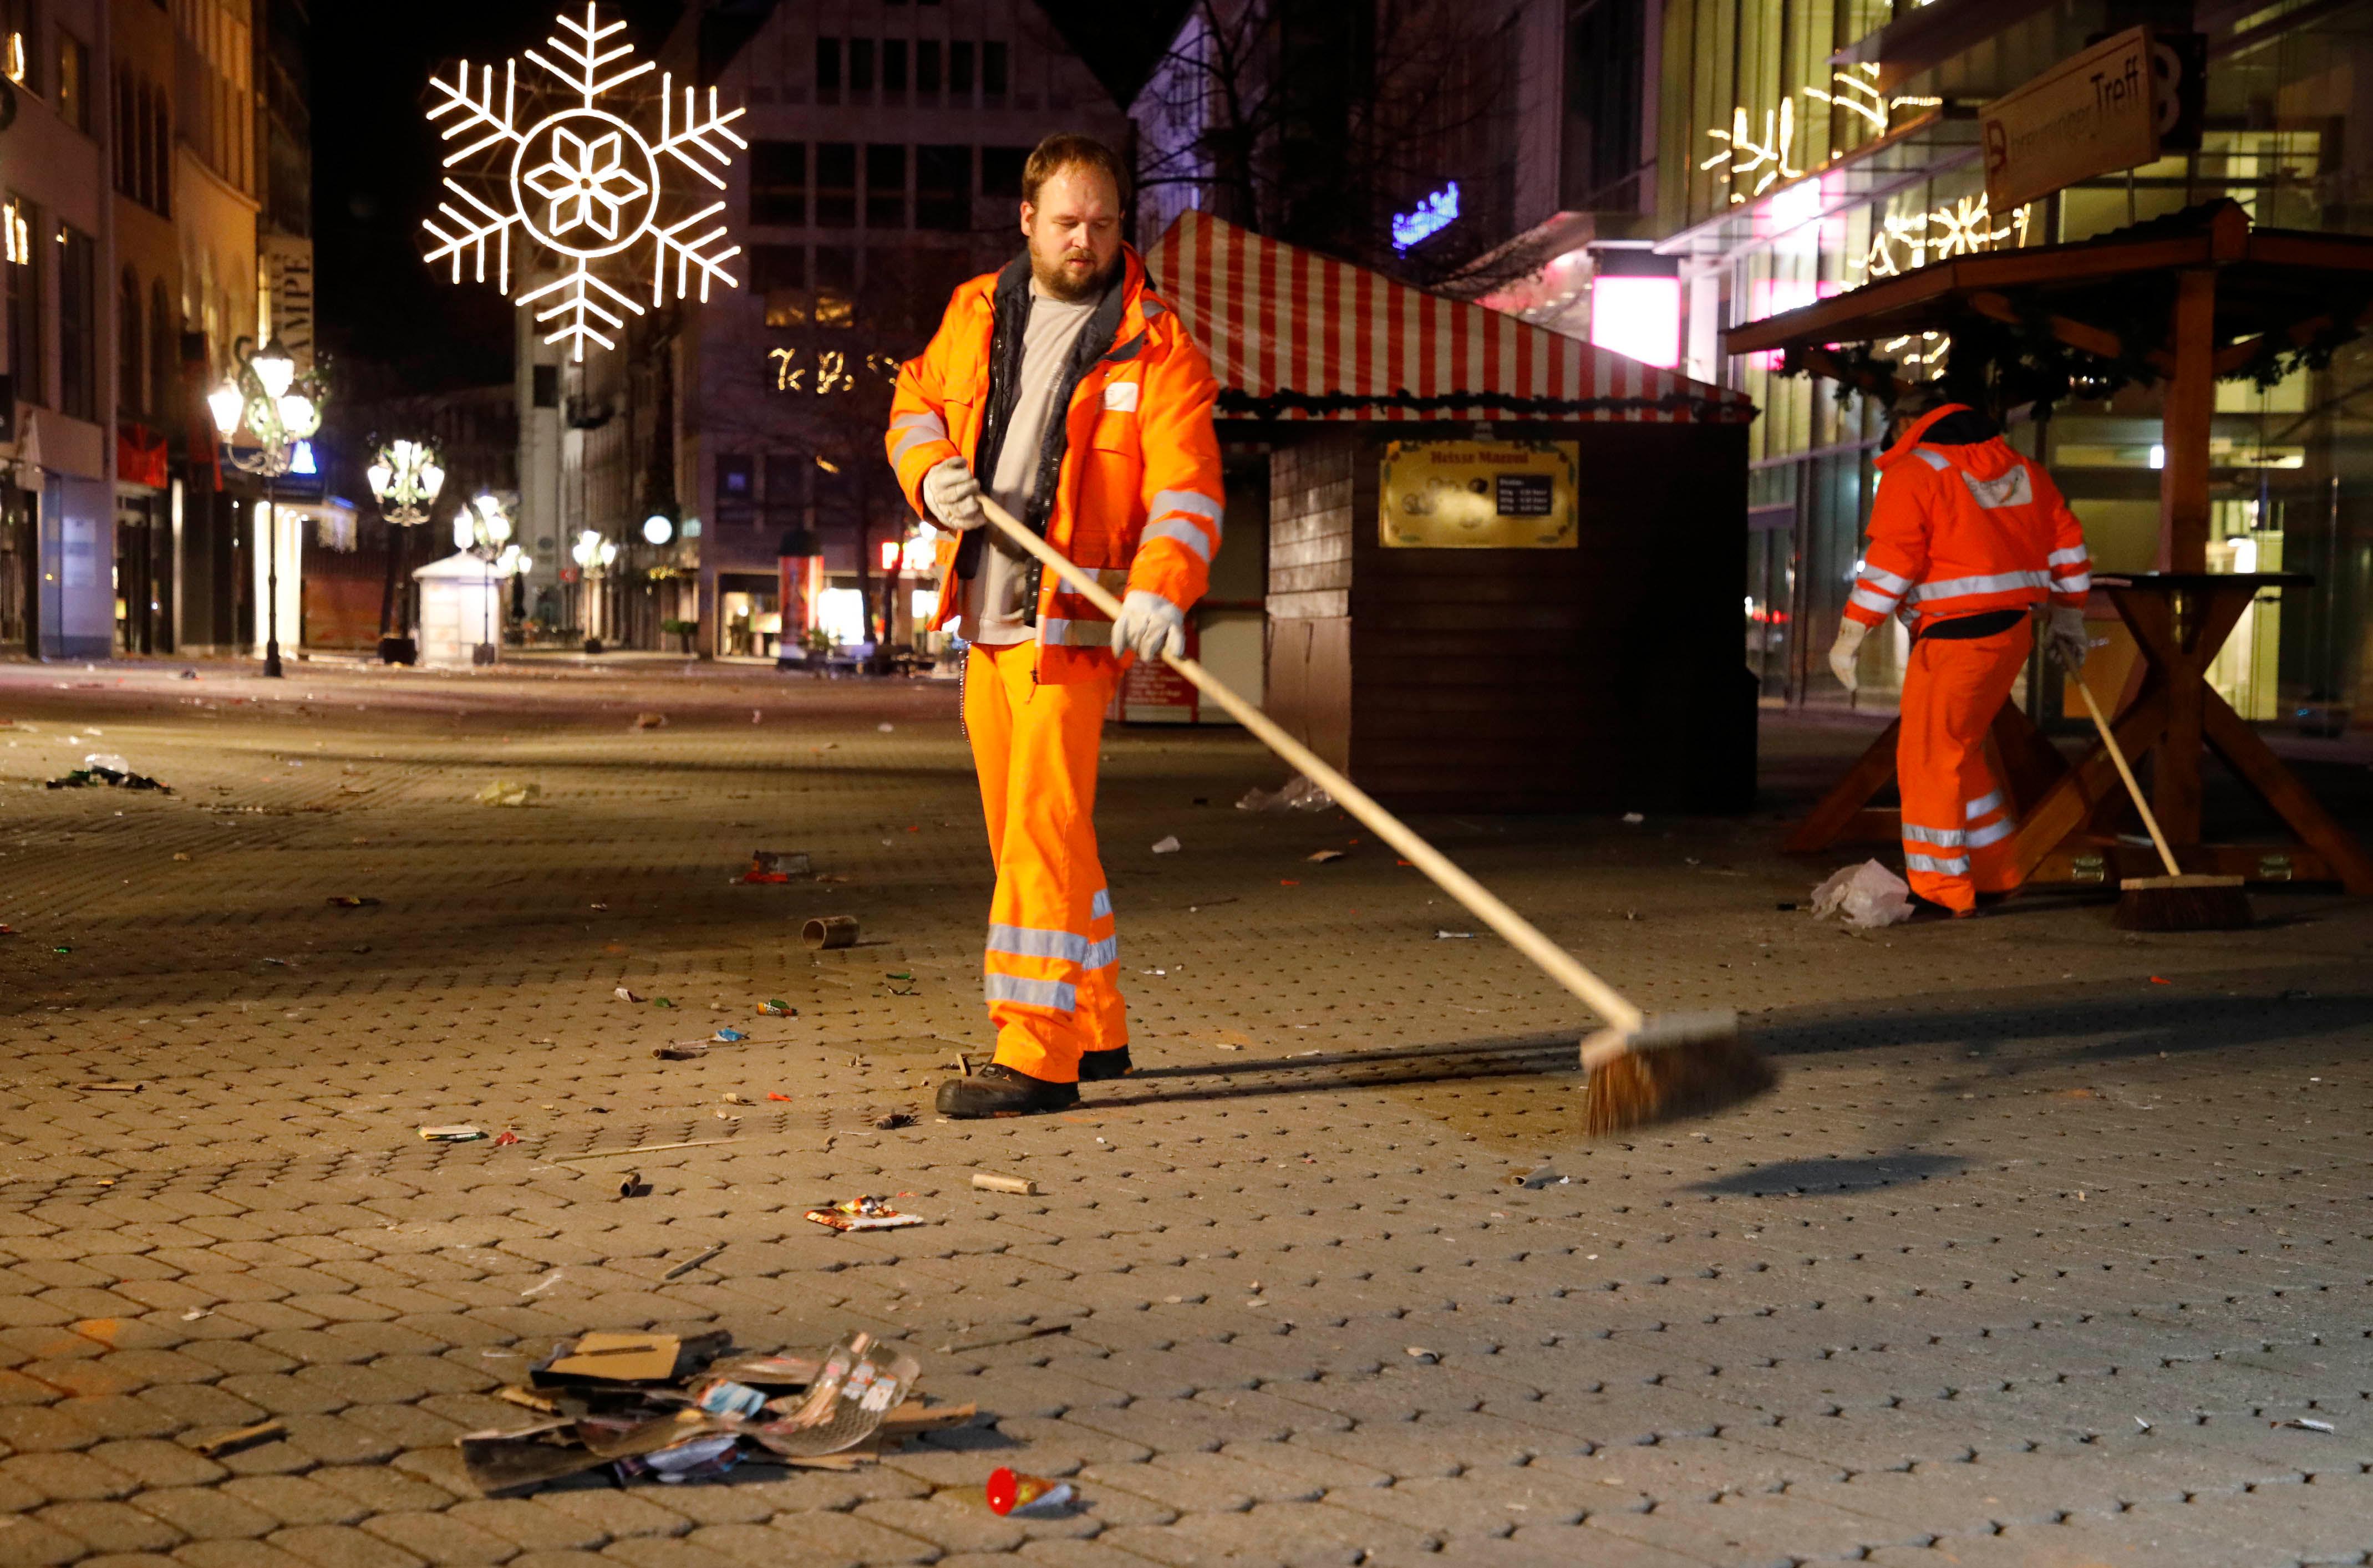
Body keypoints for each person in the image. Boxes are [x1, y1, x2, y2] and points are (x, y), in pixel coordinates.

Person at [885, 133, 1224, 1117]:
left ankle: (1035, 1054)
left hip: (1074, 625)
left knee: (1039, 826)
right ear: (1027, 219)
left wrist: (1164, 584)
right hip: (985, 614)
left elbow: (1186, 490)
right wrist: (929, 474)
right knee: (1032, 833)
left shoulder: (1156, 346)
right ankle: (1098, 1022)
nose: (1086, 240)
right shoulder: (976, 310)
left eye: (1104, 223)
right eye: (1067, 222)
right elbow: (914, 405)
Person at [1828, 392, 2092, 916]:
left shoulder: (1915, 471)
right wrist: (2068, 614)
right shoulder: (2025, 472)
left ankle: (1941, 891)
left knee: (1928, 759)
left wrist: (1852, 632)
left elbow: (1893, 561)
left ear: (1911, 422)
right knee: (1958, 753)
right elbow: (2067, 545)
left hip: (1955, 637)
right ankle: (1995, 871)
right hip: (2009, 632)